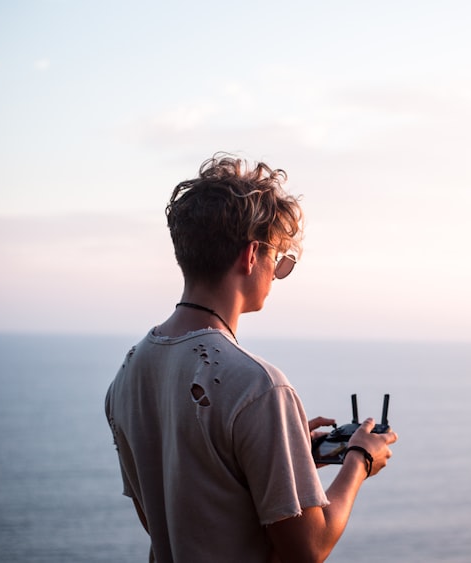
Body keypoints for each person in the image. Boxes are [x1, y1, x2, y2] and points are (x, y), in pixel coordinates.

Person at [105, 153, 398, 562]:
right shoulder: (259, 387)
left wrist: (288, 456)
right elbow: (308, 548)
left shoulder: (128, 372)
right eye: (280, 260)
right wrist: (359, 459)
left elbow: (174, 515)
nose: (277, 275)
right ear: (251, 255)